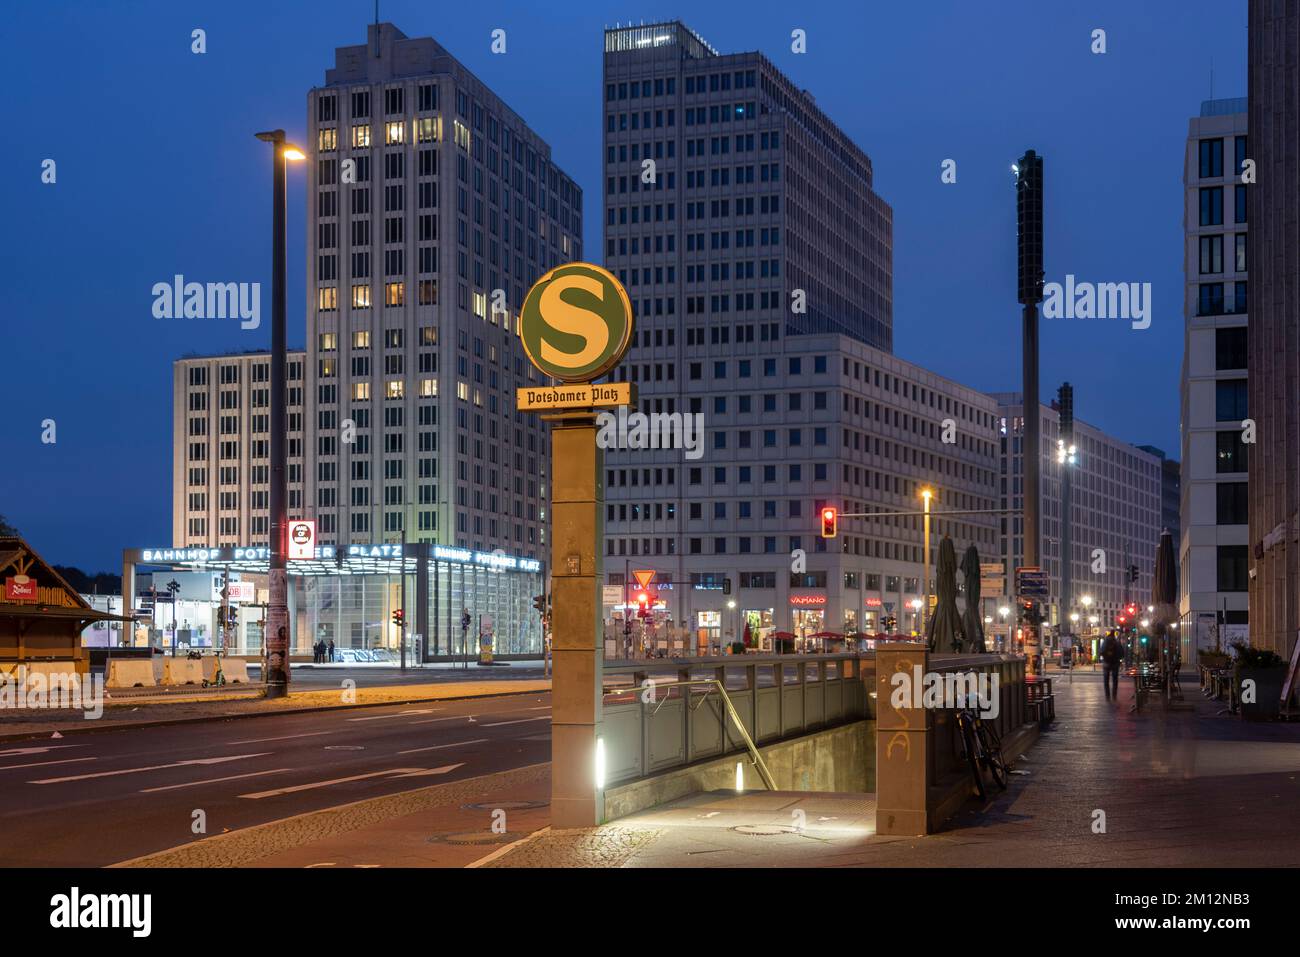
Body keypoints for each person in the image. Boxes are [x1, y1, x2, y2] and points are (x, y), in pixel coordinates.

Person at [1100, 630, 1123, 702]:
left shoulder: (1105, 641)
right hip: (1115, 663)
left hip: (1106, 663)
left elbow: (1101, 651)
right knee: (1115, 680)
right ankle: (1114, 696)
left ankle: (1107, 696)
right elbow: (1122, 653)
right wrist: (1118, 659)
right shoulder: (1117, 642)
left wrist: (1105, 658)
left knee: (1106, 680)